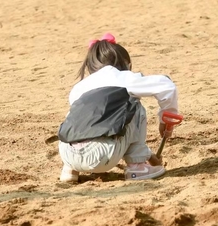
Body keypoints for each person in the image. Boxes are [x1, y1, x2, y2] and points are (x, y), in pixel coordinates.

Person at [57, 33, 179, 182]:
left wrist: (151, 157)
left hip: (68, 154)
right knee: (134, 106)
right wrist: (165, 119)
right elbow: (166, 85)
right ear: (126, 64)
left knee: (78, 116)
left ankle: (70, 171)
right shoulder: (124, 78)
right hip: (103, 156)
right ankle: (137, 167)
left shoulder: (78, 88)